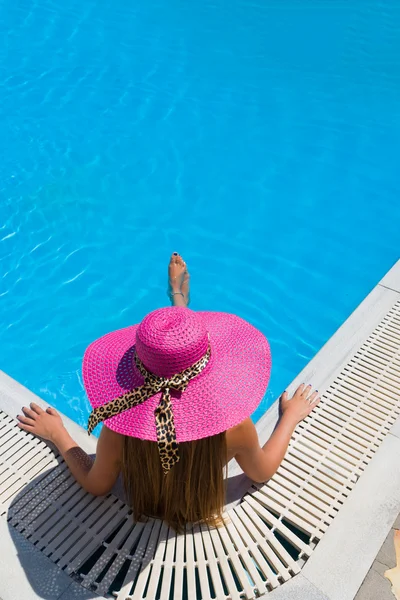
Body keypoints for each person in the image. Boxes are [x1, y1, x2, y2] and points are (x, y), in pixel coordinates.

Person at [17, 253, 320, 532]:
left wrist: (59, 435)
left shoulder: (122, 428)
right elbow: (262, 472)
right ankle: (179, 301)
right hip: (199, 509)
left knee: (172, 353)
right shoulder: (236, 428)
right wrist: (290, 418)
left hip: (146, 508)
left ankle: (179, 303)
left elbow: (96, 485)